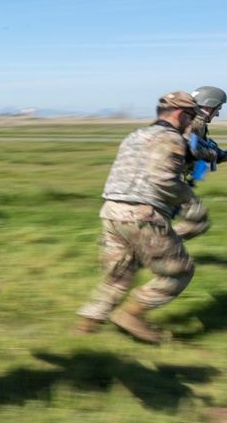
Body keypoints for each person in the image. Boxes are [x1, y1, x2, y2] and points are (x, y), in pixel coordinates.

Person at [74, 92, 201, 343]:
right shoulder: (170, 138)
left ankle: (85, 327)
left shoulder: (135, 135)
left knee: (120, 273)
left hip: (111, 210)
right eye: (191, 116)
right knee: (178, 272)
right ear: (180, 114)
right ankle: (131, 315)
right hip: (142, 215)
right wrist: (192, 204)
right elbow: (163, 180)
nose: (191, 123)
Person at [173, 86, 226, 240]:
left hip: (175, 179)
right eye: (219, 108)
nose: (219, 113)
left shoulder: (192, 119)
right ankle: (158, 244)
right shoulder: (195, 122)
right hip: (172, 181)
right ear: (210, 105)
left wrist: (216, 154)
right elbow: (192, 148)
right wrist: (213, 154)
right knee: (198, 221)